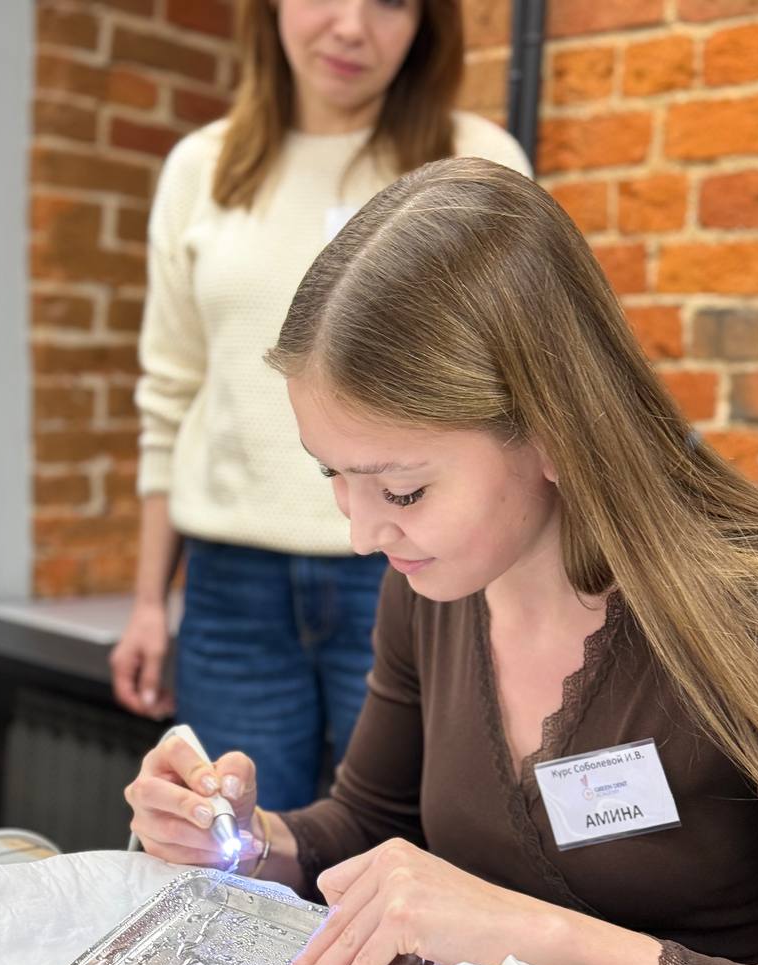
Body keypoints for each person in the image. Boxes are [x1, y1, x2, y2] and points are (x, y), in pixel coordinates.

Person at [125, 158, 758, 965]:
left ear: (555, 430)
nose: (362, 531)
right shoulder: (431, 584)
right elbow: (372, 824)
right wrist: (251, 842)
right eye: (332, 474)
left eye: (403, 487)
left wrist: (526, 933)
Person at [110, 0, 531, 809]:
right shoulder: (202, 167)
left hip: (416, 569)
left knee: (411, 845)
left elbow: (517, 390)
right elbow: (170, 394)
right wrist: (148, 603)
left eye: (390, 2)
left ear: (428, 22)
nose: (350, 26)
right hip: (233, 586)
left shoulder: (476, 161)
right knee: (232, 846)